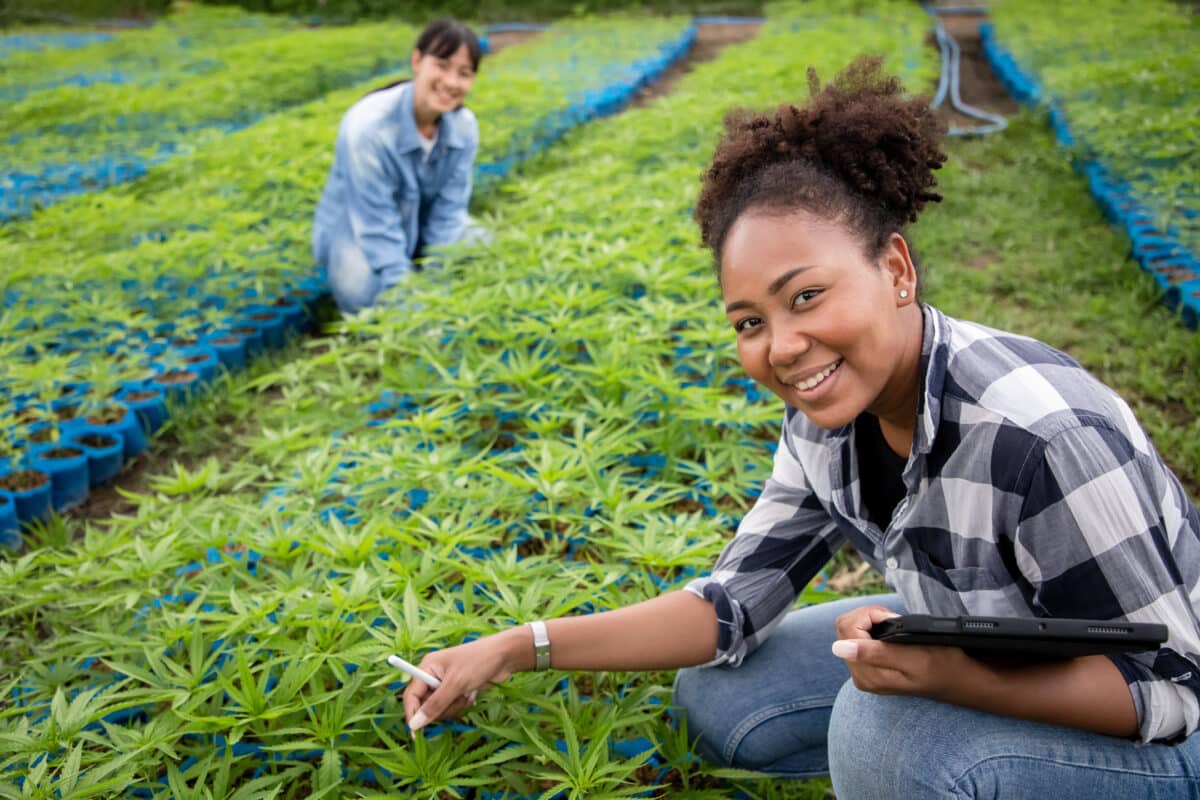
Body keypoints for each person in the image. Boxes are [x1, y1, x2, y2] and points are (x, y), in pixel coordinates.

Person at [399, 56, 1200, 797]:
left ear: (895, 269)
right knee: (721, 694)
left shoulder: (1040, 436)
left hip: (1168, 736)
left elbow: (1172, 685)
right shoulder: (826, 420)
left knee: (882, 733)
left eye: (806, 297)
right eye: (750, 321)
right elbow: (728, 606)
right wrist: (515, 646)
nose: (782, 347)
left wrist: (953, 681)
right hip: (996, 642)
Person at [312, 20, 483, 314]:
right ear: (417, 61)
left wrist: (435, 283)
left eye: (464, 73)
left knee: (481, 245)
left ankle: (414, 275)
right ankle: (395, 287)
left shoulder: (464, 127)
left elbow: (449, 212)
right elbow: (375, 225)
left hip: (419, 228)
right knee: (359, 287)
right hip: (359, 230)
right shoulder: (368, 126)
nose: (452, 82)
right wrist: (412, 303)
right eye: (442, 65)